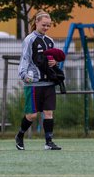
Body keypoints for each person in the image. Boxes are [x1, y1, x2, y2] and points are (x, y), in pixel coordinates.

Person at [15, 9, 62, 150]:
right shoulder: (30, 40)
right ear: (36, 23)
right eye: (44, 25)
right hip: (34, 83)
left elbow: (51, 59)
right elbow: (25, 58)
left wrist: (55, 63)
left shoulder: (50, 41)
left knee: (48, 113)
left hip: (48, 83)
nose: (46, 28)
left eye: (48, 25)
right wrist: (23, 74)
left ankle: (48, 142)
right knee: (32, 115)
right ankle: (20, 136)